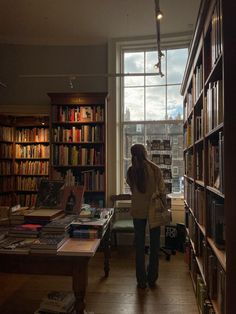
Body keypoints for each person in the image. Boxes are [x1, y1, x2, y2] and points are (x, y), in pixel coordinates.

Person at [126, 143, 166, 289]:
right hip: (154, 210)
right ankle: (152, 278)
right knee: (155, 245)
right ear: (145, 153)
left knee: (139, 246)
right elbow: (162, 190)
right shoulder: (155, 169)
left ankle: (141, 280)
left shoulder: (130, 171)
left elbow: (132, 188)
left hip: (138, 210)